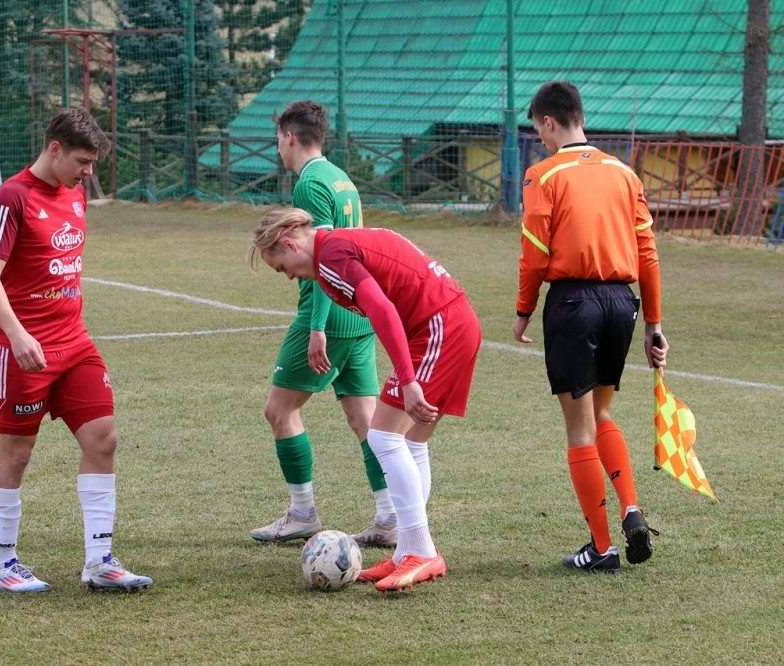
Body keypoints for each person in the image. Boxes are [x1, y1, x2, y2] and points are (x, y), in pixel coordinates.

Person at [248, 207, 482, 592]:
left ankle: (422, 551)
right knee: (410, 441)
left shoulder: (331, 255)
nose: (289, 275)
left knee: (383, 436)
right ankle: (409, 549)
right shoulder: (335, 246)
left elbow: (382, 308)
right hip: (449, 321)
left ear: (289, 244)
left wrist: (408, 379)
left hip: (439, 325)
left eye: (282, 267)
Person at [0, 107, 151, 593]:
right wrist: (17, 334)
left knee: (104, 439)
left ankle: (99, 561)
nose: (88, 172)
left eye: (92, 162)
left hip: (75, 343)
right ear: (54, 149)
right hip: (22, 349)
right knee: (17, 454)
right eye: (82, 161)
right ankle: (4, 565)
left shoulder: (75, 194)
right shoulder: (11, 198)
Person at [513, 81, 666, 574]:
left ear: (549, 122)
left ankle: (602, 549)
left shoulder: (542, 175)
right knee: (601, 413)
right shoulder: (624, 173)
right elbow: (647, 253)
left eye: (538, 130)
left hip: (573, 302)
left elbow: (534, 253)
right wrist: (654, 324)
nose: (540, 139)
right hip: (623, 304)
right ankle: (630, 508)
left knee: (579, 428)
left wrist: (523, 309)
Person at [249, 100, 397, 548]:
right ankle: (389, 518)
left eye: (278, 139)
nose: (278, 147)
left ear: (289, 137)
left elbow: (322, 258)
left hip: (329, 315)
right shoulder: (340, 177)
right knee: (365, 421)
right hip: (358, 313)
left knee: (280, 411)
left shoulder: (311, 184)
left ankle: (302, 513)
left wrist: (316, 328)